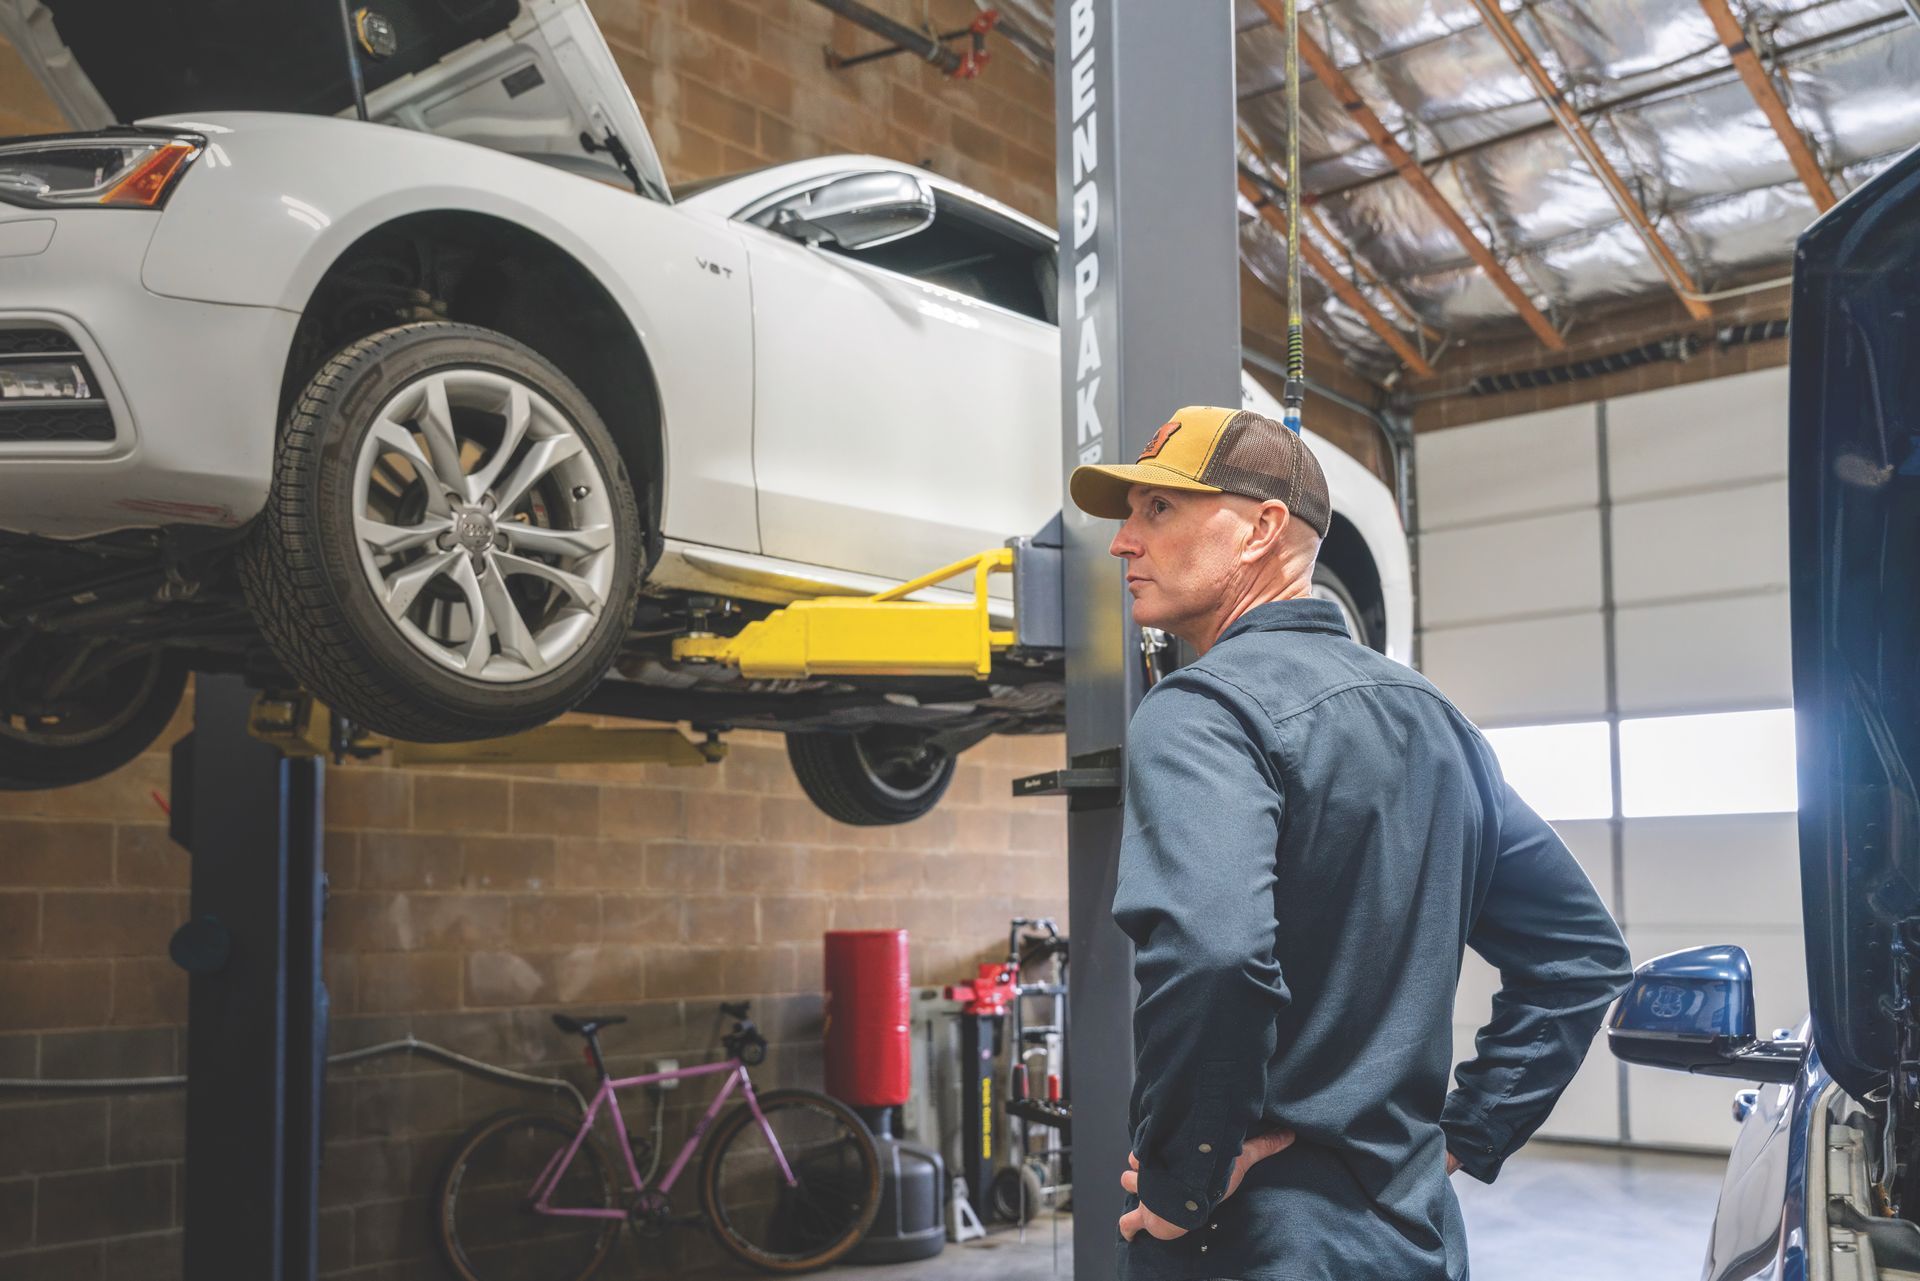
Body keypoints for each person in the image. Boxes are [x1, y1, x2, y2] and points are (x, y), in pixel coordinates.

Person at [1068, 406, 1632, 1281]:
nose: (1123, 543)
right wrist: (1463, 1136)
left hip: (1249, 1245)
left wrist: (1185, 1185)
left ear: (1259, 529)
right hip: (1412, 1240)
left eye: (1159, 510)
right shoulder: (1439, 725)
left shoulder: (1199, 712)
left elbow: (1213, 954)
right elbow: (1581, 957)